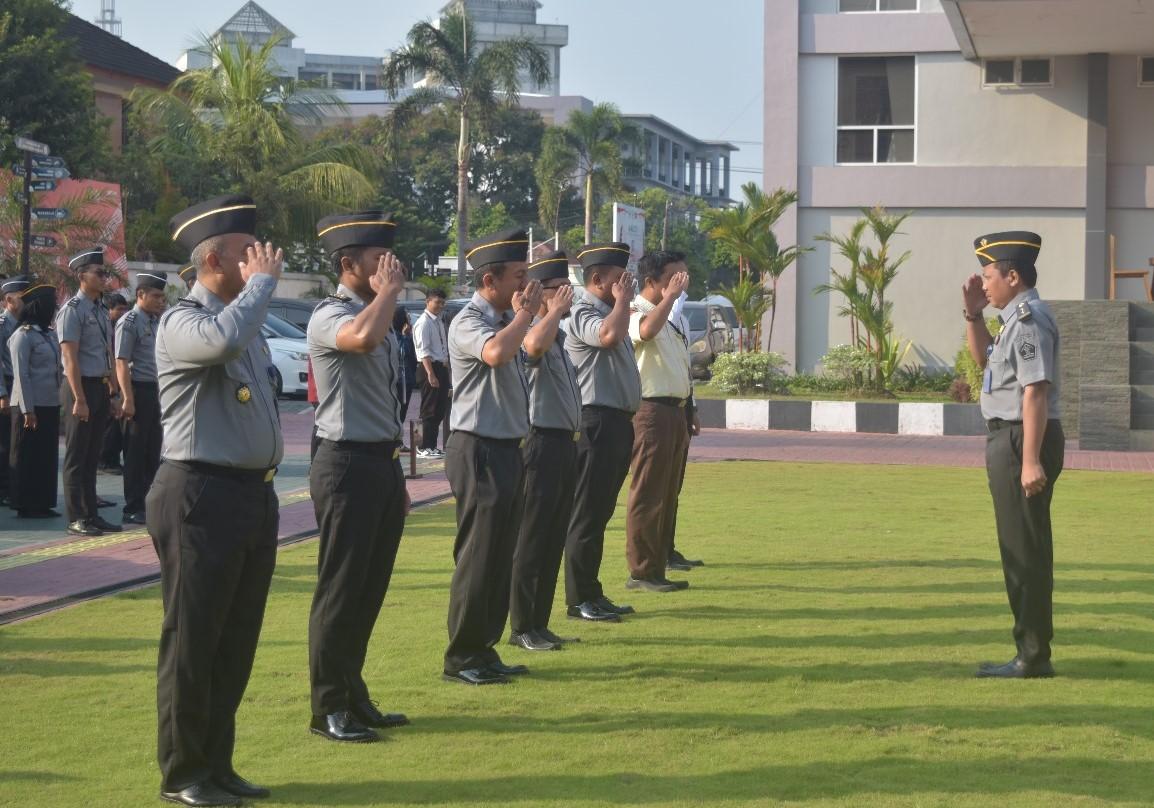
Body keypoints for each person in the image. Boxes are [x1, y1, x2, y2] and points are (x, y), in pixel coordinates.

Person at [148, 194, 284, 806]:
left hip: (251, 497)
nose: (260, 258)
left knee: (235, 640)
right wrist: (261, 288)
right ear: (212, 261)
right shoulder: (184, 321)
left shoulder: (242, 319)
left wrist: (253, 293)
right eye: (245, 251)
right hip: (199, 494)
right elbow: (222, 344)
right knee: (194, 640)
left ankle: (218, 763)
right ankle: (184, 773)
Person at [307, 211, 412, 743]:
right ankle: (327, 706)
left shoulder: (379, 311)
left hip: (380, 463)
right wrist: (389, 293)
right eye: (378, 259)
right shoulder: (330, 313)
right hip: (345, 463)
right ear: (349, 264)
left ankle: (352, 693)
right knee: (342, 591)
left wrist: (398, 477)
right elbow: (362, 340)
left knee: (368, 591)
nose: (390, 266)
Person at [962, 231, 1063, 680]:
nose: (984, 284)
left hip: (1022, 440)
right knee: (1021, 547)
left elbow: (1035, 390)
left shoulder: (1027, 321)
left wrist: (1030, 460)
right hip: (1013, 439)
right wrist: (973, 314)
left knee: (1024, 551)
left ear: (1013, 276)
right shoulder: (1012, 321)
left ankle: (1032, 656)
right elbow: (985, 361)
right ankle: (1031, 651)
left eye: (988, 276)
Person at [442, 227, 541, 685]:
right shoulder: (468, 321)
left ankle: (484, 648)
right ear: (490, 280)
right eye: (519, 275)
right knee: (479, 556)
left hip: (506, 448)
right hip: (478, 448)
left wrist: (523, 317)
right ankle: (462, 656)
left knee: (501, 555)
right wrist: (525, 315)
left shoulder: (507, 318)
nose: (527, 284)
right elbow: (497, 353)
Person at [562, 243, 641, 622]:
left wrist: (620, 302)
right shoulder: (583, 312)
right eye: (620, 279)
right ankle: (579, 599)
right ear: (597, 279)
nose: (629, 285)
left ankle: (591, 591)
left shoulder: (612, 312)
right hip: (595, 423)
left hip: (616, 424)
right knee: (587, 514)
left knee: (600, 512)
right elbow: (607, 337)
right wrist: (623, 301)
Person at [508, 250, 582, 652]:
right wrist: (548, 311)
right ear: (541, 293)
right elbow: (532, 347)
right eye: (560, 288)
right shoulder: (534, 330)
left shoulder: (559, 337)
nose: (568, 295)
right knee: (533, 538)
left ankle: (540, 621)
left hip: (565, 445)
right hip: (540, 443)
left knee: (554, 537)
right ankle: (522, 625)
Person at [624, 251, 693, 593]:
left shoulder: (670, 316)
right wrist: (669, 299)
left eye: (683, 277)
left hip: (674, 412)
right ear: (651, 281)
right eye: (673, 278)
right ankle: (641, 571)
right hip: (650, 411)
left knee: (667, 491)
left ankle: (658, 562)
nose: (681, 284)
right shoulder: (634, 311)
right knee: (649, 491)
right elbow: (645, 333)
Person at [57, 249, 121, 536]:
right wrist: (80, 399)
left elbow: (107, 353)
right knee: (77, 456)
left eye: (105, 273)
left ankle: (91, 514)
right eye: (99, 273)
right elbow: (70, 358)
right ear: (82, 276)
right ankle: (76, 517)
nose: (104, 277)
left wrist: (113, 392)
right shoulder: (72, 310)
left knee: (92, 454)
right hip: (79, 387)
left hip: (98, 386)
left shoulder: (99, 310)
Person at [115, 274, 168, 525]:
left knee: (152, 450)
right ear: (141, 295)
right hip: (137, 390)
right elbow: (121, 362)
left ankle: (148, 503)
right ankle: (133, 506)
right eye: (155, 296)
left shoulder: (156, 321)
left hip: (155, 391)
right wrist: (127, 398)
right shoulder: (130, 322)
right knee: (135, 452)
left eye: (162, 297)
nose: (160, 301)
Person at [8, 281, 62, 518]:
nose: (53, 309)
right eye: (51, 305)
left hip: (49, 403)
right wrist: (27, 409)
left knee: (46, 455)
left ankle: (43, 502)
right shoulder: (22, 335)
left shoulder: (48, 334)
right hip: (29, 405)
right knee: (27, 454)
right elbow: (21, 375)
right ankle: (25, 503)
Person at [667, 289, 704, 572]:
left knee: (673, 487)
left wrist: (693, 407)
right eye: (675, 276)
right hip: (658, 407)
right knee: (656, 489)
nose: (682, 284)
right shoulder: (648, 315)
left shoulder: (682, 319)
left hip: (681, 407)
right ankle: (653, 557)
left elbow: (685, 367)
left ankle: (667, 548)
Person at [0, 275, 30, 507]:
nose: (27, 303)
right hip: (7, 384)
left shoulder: (25, 324)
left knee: (17, 440)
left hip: (20, 383)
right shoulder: (2, 325)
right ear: (9, 300)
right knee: (5, 442)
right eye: (23, 298)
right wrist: (2, 394)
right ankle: (5, 489)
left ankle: (15, 488)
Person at [413, 288, 449, 458]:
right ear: (427, 302)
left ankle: (432, 446)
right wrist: (431, 374)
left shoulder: (438, 321)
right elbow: (423, 351)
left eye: (442, 303)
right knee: (428, 410)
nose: (440, 306)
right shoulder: (423, 323)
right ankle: (422, 446)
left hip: (441, 367)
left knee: (439, 409)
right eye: (437, 302)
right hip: (429, 367)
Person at [100, 292, 131, 474]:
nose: (122, 313)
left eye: (125, 309)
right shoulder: (106, 327)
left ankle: (111, 458)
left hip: (120, 378)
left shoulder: (124, 326)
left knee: (118, 421)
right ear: (109, 310)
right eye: (119, 309)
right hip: (107, 379)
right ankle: (105, 460)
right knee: (110, 422)